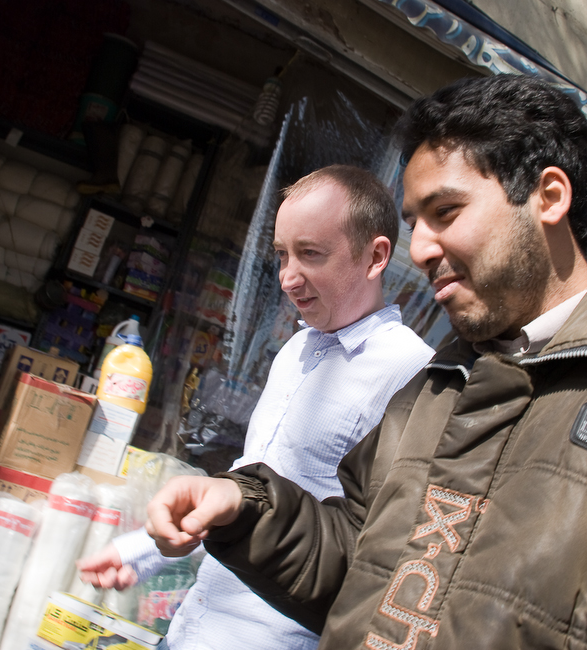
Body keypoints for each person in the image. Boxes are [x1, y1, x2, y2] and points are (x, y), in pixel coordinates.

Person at [143, 74, 587, 649]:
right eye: (415, 223)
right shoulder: (436, 388)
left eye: (446, 212)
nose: (419, 248)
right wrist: (243, 505)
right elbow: (360, 563)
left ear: (548, 197)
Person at [76, 164, 435, 650]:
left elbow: (380, 544)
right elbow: (249, 487)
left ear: (375, 257)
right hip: (192, 626)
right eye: (282, 254)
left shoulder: (411, 372)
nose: (287, 277)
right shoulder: (296, 350)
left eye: (310, 254)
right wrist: (142, 552)